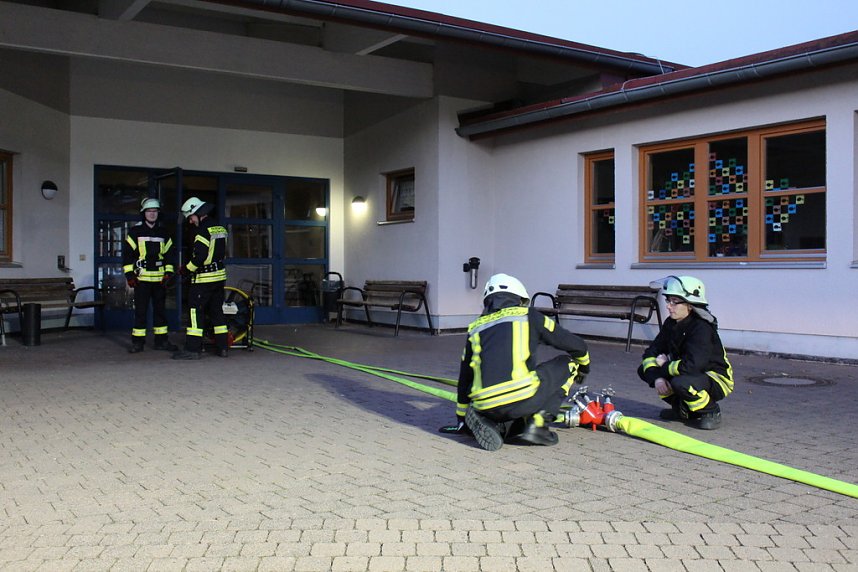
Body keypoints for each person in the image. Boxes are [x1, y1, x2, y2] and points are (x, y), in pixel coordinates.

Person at [442, 273, 590, 451]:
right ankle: (536, 425)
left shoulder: (476, 328)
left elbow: (465, 377)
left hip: (484, 404)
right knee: (568, 363)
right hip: (521, 398)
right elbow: (576, 345)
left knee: (498, 388)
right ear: (519, 298)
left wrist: (461, 417)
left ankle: (494, 422)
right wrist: (584, 366)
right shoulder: (528, 316)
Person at [638, 275, 733, 430]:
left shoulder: (701, 329)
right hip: (688, 373)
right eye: (668, 300)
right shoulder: (672, 323)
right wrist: (657, 378)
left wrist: (664, 366)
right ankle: (683, 410)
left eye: (674, 302)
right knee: (645, 370)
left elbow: (693, 366)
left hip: (716, 379)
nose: (669, 306)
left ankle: (710, 411)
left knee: (680, 383)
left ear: (690, 305)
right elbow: (651, 352)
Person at [172, 197, 229, 360]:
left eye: (191, 217)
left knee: (195, 313)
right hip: (219, 278)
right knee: (217, 312)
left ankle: (193, 349)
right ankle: (223, 348)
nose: (190, 221)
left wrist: (185, 270)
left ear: (198, 213)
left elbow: (200, 257)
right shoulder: (219, 228)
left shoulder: (202, 230)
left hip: (203, 280)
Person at [122, 197, 178, 353]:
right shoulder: (135, 232)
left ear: (158, 213)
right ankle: (137, 343)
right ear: (144, 213)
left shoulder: (164, 233)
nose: (152, 214)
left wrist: (168, 273)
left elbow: (170, 256)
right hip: (142, 280)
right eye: (149, 211)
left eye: (155, 211)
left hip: (160, 280)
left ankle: (162, 341)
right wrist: (129, 276)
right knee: (140, 312)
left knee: (160, 313)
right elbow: (127, 256)